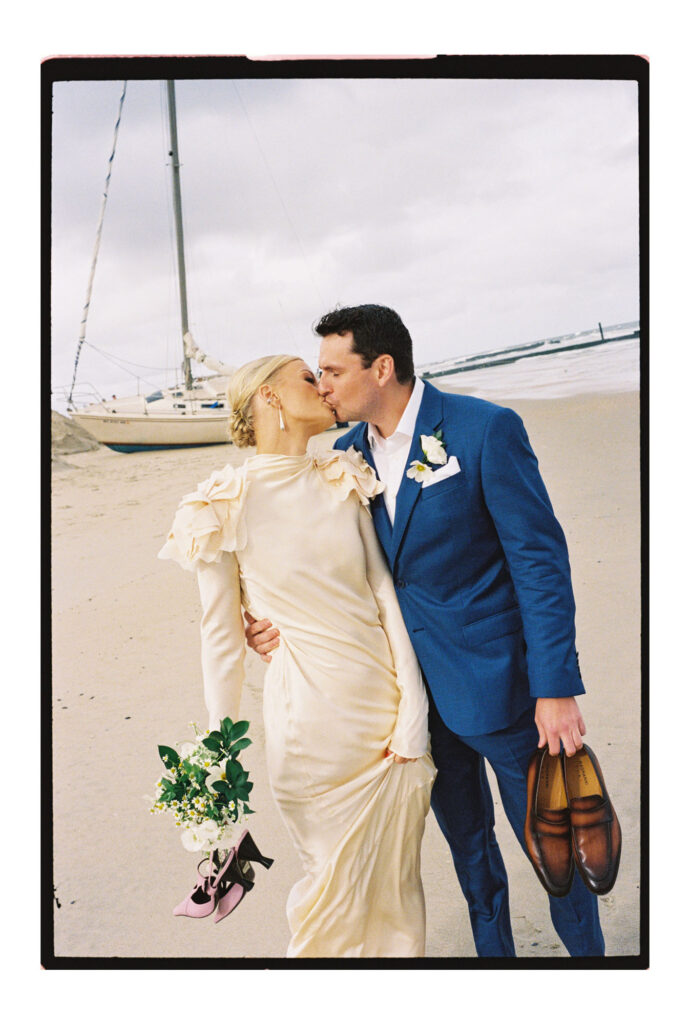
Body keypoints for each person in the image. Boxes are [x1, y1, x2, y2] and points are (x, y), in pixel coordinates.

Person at [245, 305, 605, 958]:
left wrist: (556, 687)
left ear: (380, 368)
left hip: (501, 689)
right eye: (317, 374)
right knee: (470, 856)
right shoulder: (344, 458)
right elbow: (323, 565)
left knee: (550, 848)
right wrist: (266, 623)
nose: (322, 385)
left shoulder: (484, 430)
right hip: (408, 705)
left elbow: (539, 564)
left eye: (332, 370)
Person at [159, 354, 436, 958]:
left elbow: (384, 594)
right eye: (309, 378)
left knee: (397, 893)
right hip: (312, 727)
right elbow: (221, 638)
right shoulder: (219, 503)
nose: (326, 386)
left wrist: (413, 707)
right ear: (270, 399)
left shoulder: (343, 475)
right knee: (331, 900)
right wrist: (215, 758)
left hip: (386, 711)